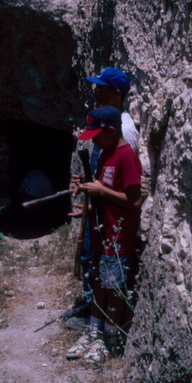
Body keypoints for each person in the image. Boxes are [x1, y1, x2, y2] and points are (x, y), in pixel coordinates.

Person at [66, 106, 142, 364]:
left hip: (118, 241)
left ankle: (109, 339)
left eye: (97, 137)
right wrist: (88, 206)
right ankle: (94, 332)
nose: (94, 142)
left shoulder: (126, 157)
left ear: (111, 131)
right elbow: (104, 195)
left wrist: (100, 191)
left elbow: (134, 201)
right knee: (99, 283)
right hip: (101, 234)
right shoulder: (105, 155)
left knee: (114, 289)